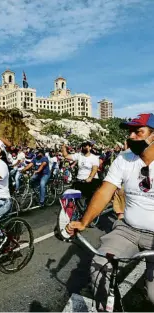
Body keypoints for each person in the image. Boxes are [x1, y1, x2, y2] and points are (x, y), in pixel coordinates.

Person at [66, 113, 154, 310]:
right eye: (130, 132)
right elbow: (105, 191)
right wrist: (83, 222)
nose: (131, 136)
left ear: (153, 135)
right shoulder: (124, 158)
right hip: (128, 230)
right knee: (100, 267)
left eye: (138, 132)